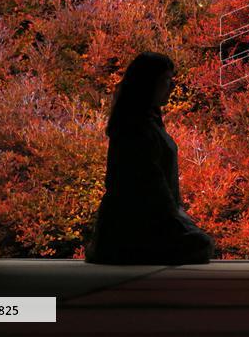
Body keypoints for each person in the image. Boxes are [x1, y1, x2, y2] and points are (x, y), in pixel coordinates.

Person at [85, 52, 214, 265]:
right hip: (137, 223)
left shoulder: (143, 123)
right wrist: (176, 219)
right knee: (200, 244)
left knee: (200, 243)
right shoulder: (135, 128)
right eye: (166, 80)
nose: (172, 87)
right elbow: (152, 184)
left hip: (144, 220)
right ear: (149, 83)